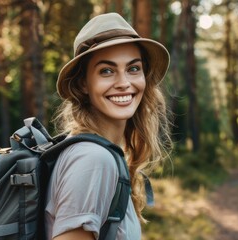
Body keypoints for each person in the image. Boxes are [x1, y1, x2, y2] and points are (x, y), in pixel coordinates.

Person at [45, 12, 172, 239]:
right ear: (83, 83)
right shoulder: (93, 159)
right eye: (107, 71)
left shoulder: (97, 152)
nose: (124, 83)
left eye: (133, 68)